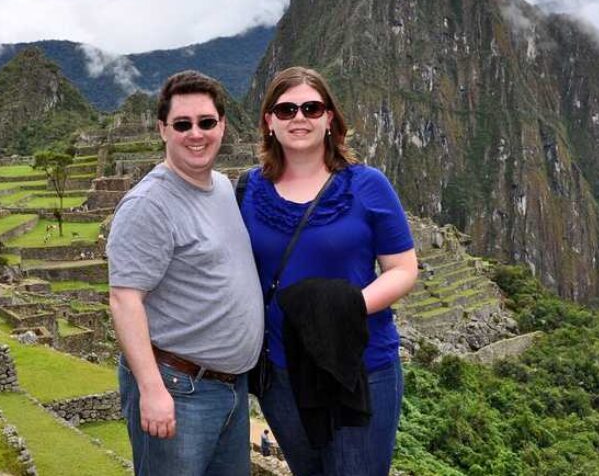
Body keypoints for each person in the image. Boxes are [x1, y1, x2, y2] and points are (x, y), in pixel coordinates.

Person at [238, 66, 419, 475]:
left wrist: (347, 305)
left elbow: (403, 267)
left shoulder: (367, 185)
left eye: (311, 107)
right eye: (285, 110)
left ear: (330, 118)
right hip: (282, 372)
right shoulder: (247, 191)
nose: (298, 117)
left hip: (359, 365)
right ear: (269, 121)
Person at [106, 70, 264, 476]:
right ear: (163, 129)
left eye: (207, 123)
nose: (197, 134)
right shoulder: (149, 204)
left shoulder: (224, 187)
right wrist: (152, 389)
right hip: (179, 389)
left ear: (223, 125)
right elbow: (125, 299)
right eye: (183, 124)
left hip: (230, 387)